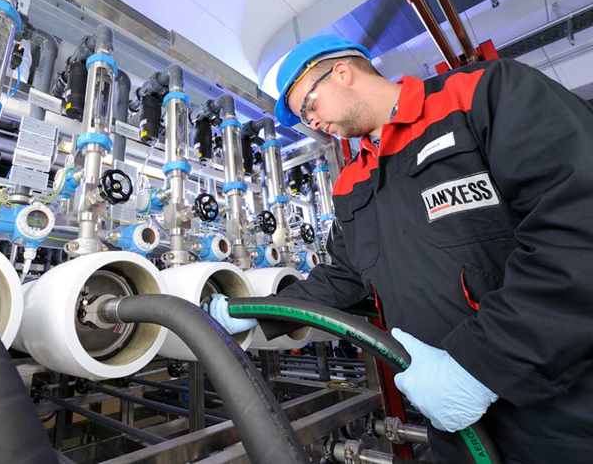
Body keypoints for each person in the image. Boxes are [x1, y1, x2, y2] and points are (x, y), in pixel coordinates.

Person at [209, 34, 593, 463]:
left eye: (310, 107)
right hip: (451, 418)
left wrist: (482, 365)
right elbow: (344, 276)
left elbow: (577, 223)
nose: (312, 124)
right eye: (304, 119)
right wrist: (253, 311)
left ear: (342, 72)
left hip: (560, 403)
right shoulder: (351, 180)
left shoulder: (481, 95)